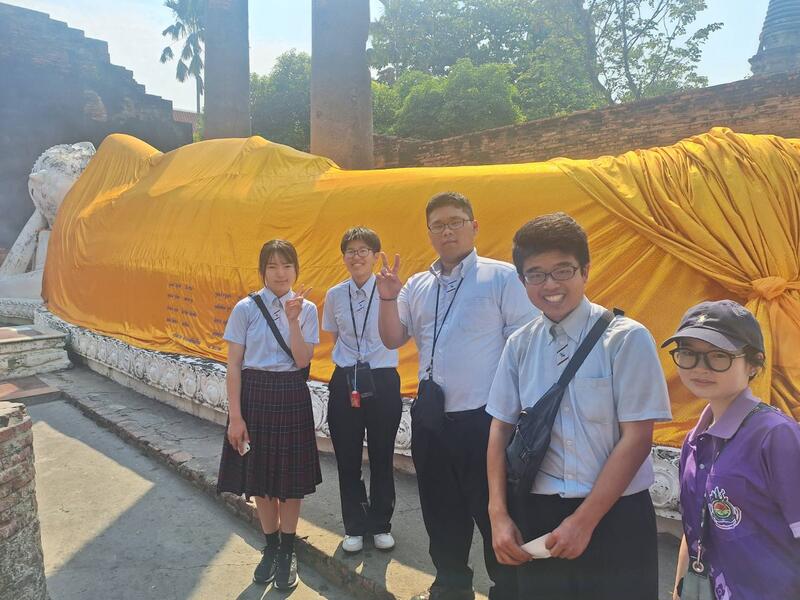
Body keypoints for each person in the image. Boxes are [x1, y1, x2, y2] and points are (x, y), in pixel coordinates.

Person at [485, 212, 672, 600]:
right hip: (539, 516)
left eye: (562, 270)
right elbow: (500, 428)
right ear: (522, 281)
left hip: (616, 517)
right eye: (536, 274)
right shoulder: (519, 345)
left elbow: (637, 438)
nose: (550, 284)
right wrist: (498, 515)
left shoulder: (626, 340)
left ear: (585, 270)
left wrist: (584, 522)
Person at [377, 192, 536, 600]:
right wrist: (388, 297)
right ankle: (450, 583)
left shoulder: (502, 278)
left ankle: (508, 590)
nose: (447, 231)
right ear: (429, 232)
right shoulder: (417, 284)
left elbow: (525, 350)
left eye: (455, 222)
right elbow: (392, 338)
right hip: (431, 421)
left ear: (474, 226)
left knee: (494, 512)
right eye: (438, 225)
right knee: (440, 510)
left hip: (485, 422)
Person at [663, 300, 800, 600]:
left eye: (718, 356)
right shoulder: (695, 440)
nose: (700, 368)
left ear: (754, 364)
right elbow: (695, 528)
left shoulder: (776, 436)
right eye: (688, 353)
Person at [217, 239, 321, 590]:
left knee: (290, 484)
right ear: (262, 271)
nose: (280, 273)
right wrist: (235, 417)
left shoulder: (307, 309)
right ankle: (271, 547)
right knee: (260, 480)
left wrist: (293, 321)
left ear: (296, 270)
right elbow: (234, 365)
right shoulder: (245, 308)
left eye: (287, 266)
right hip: (255, 396)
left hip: (291, 394)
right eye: (273, 266)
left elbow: (303, 360)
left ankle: (288, 550)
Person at [322, 227, 403, 554]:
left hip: (382, 379)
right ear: (344, 257)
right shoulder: (334, 295)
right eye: (351, 251)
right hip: (347, 379)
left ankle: (381, 524)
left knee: (382, 455)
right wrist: (350, 363)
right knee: (347, 457)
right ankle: (354, 525)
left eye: (363, 250)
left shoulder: (390, 291)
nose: (357, 257)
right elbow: (334, 338)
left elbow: (398, 332)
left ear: (375, 255)